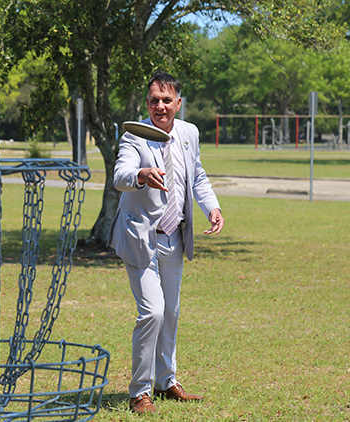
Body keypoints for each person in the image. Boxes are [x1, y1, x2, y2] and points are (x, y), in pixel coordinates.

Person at [108, 71, 224, 414]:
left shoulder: (189, 133)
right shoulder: (135, 136)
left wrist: (212, 207)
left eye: (166, 100)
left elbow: (197, 174)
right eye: (154, 100)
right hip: (140, 237)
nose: (160, 106)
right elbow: (120, 176)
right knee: (153, 311)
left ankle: (166, 381)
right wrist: (140, 175)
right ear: (147, 103)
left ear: (178, 104)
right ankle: (139, 392)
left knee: (170, 313)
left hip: (174, 236)